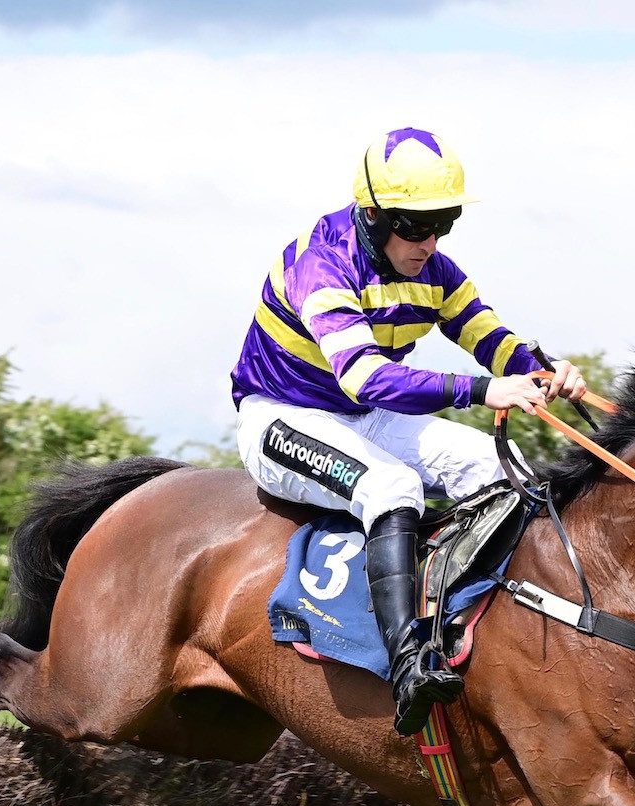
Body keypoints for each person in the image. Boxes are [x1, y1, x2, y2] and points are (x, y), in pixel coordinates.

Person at [230, 127, 586, 736]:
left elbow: (488, 338)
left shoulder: (435, 268)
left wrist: (541, 373)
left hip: (365, 416)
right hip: (283, 417)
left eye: (445, 220)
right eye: (417, 225)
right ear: (373, 218)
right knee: (391, 486)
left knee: (509, 470)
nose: (432, 239)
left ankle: (499, 632)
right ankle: (408, 663)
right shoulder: (322, 263)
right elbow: (366, 379)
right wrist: (482, 392)